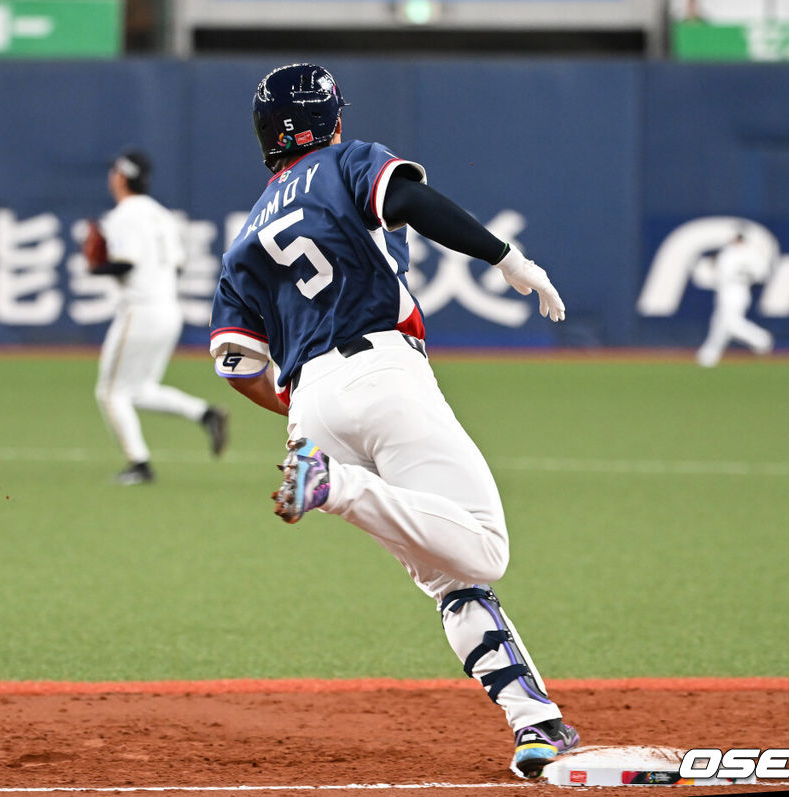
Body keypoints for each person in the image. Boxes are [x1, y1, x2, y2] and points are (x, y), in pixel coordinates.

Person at [209, 63, 578, 779]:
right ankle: (333, 485)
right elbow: (408, 198)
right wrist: (505, 256)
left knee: (448, 575)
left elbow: (233, 363)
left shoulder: (242, 239)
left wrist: (302, 414)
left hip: (309, 403)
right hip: (382, 367)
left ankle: (535, 722)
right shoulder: (345, 162)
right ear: (328, 122)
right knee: (485, 546)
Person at [85, 148, 228, 485]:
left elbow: (126, 262)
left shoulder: (124, 215)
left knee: (109, 392)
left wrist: (97, 268)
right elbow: (177, 264)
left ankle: (139, 464)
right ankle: (204, 413)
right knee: (138, 389)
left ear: (120, 177)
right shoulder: (162, 215)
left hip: (140, 310)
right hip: (168, 309)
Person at [696, 228, 774, 368]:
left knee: (731, 323)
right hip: (740, 290)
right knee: (719, 324)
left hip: (733, 290)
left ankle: (762, 340)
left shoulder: (729, 253)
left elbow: (719, 275)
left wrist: (713, 265)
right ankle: (708, 356)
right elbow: (763, 274)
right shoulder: (753, 253)